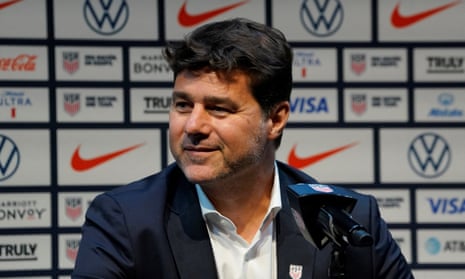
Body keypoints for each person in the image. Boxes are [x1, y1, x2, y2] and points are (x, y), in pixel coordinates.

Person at [72, 18, 414, 279]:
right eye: (182, 105)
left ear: (276, 118)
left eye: (219, 109)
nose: (193, 126)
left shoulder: (347, 221)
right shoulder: (127, 222)